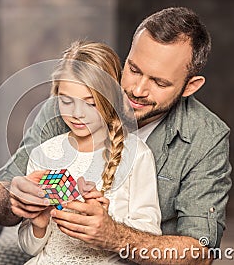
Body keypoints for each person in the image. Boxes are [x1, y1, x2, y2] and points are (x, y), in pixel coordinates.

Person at [0, 7, 232, 264]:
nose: (137, 90)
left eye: (159, 82)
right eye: (134, 69)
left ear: (190, 86)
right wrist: (16, 199)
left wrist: (112, 235)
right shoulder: (68, 103)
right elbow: (0, 196)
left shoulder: (206, 137)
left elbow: (201, 253)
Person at [18, 41, 162, 264]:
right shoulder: (43, 154)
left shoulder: (137, 155)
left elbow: (150, 237)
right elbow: (29, 248)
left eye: (91, 103)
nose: (77, 113)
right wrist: (39, 223)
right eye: (66, 101)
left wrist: (109, 225)